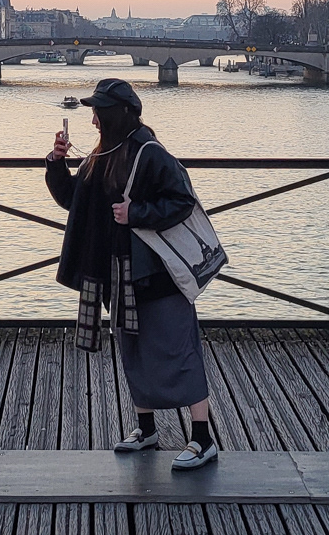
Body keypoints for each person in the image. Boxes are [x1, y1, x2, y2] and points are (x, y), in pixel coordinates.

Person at [46, 78, 218, 471]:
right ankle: (147, 429)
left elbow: (182, 200)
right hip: (117, 271)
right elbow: (73, 201)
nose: (92, 121)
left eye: (98, 112)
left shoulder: (149, 152)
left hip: (156, 274)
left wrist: (136, 213)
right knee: (134, 350)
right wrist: (56, 163)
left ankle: (203, 438)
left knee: (178, 350)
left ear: (117, 114)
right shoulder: (99, 155)